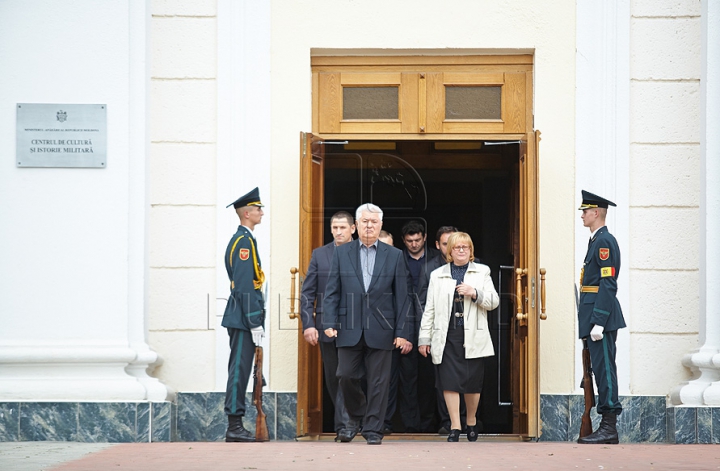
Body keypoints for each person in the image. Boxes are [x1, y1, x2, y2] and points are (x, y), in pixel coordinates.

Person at [323, 203, 411, 445]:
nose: (369, 226)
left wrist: (403, 332)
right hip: (348, 327)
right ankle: (358, 415)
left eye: (374, 222)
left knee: (379, 382)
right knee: (345, 375)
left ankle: (373, 429)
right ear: (357, 225)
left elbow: (403, 296)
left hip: (383, 329)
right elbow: (332, 291)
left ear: (381, 225)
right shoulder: (342, 253)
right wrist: (328, 320)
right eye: (365, 222)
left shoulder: (394, 255)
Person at [418, 232, 499, 442]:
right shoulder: (437, 274)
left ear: (471, 251)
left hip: (473, 335)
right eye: (457, 247)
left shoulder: (482, 272)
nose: (461, 251)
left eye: (466, 247)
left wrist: (474, 293)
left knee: (472, 382)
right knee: (449, 382)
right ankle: (454, 426)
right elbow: (430, 309)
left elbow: (494, 301)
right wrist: (424, 338)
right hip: (446, 335)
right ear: (449, 251)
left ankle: (471, 421)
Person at [299, 211, 355, 439]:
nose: (338, 232)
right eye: (335, 228)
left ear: (353, 229)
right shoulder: (320, 255)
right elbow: (307, 293)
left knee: (350, 374)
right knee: (334, 376)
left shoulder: (363, 252)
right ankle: (344, 425)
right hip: (325, 325)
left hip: (356, 324)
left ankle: (353, 420)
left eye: (343, 227)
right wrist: (308, 324)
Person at [576, 190, 626, 445]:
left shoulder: (604, 242)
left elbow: (608, 284)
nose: (582, 215)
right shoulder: (596, 241)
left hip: (601, 318)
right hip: (594, 315)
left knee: (605, 370)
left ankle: (609, 427)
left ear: (596, 213)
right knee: (598, 370)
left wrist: (599, 319)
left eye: (585, 211)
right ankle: (605, 425)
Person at [384, 220, 439, 433]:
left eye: (418, 240)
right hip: (405, 322)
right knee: (407, 378)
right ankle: (410, 426)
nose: (414, 244)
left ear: (425, 238)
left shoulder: (437, 258)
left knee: (428, 378)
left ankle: (428, 425)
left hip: (430, 323)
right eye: (409, 241)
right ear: (403, 241)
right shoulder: (397, 257)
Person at [221, 187, 266, 442]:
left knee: (245, 368)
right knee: (239, 370)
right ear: (246, 213)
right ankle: (234, 426)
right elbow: (245, 286)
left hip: (244, 318)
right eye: (258, 208)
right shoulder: (243, 242)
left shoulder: (246, 239)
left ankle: (236, 424)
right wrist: (253, 321)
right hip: (243, 318)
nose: (261, 212)